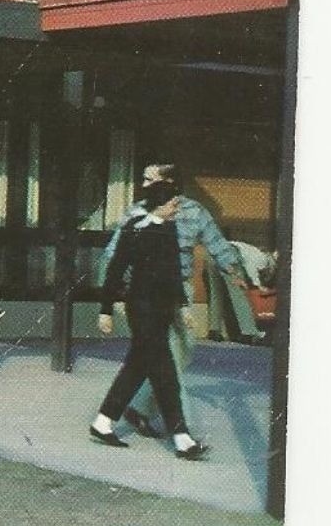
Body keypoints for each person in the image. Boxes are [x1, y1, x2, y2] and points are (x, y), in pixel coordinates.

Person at [101, 163, 250, 437]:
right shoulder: (138, 213)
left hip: (179, 292)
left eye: (150, 180)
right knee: (166, 356)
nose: (144, 185)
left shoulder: (194, 212)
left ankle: (136, 408)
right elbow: (114, 255)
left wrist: (233, 271)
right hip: (144, 295)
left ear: (168, 182)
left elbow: (216, 242)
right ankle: (182, 431)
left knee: (181, 349)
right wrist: (113, 300)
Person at [89, 177, 209, 459]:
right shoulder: (135, 230)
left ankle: (103, 422)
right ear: (161, 204)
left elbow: (173, 272)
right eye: (174, 204)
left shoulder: (169, 229)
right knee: (165, 372)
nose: (177, 209)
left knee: (136, 368)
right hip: (141, 309)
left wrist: (183, 307)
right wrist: (105, 309)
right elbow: (115, 269)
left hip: (163, 309)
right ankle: (182, 438)